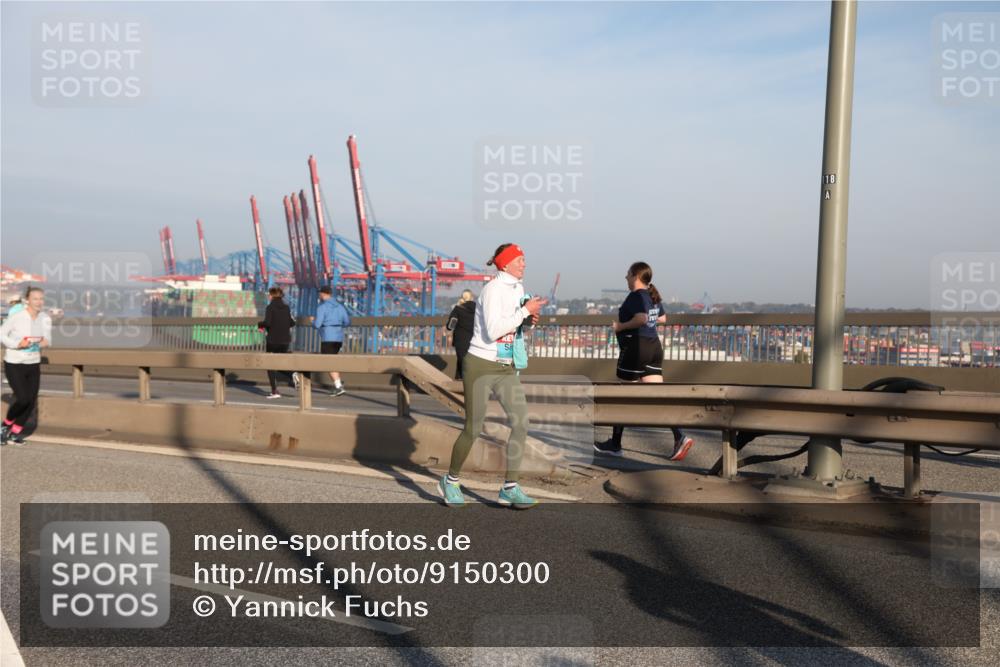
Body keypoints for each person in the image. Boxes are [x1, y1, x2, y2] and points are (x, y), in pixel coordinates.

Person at [439, 243, 547, 510]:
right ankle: (450, 481)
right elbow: (493, 330)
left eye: (524, 259)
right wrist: (523, 311)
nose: (524, 264)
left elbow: (511, 325)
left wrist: (527, 320)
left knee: (521, 422)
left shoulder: (518, 289)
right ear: (506, 263)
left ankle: (510, 488)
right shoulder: (492, 290)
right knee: (474, 427)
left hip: (506, 366)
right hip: (480, 366)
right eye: (520, 260)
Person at [594, 262, 695, 461]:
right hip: (654, 346)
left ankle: (615, 444)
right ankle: (679, 436)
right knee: (657, 396)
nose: (625, 278)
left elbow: (640, 318)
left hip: (635, 347)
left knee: (621, 395)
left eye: (628, 274)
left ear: (635, 276)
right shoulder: (651, 295)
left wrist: (620, 326)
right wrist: (648, 322)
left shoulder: (636, 296)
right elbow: (663, 319)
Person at [1, 286, 52, 445]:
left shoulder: (45, 318)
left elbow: (47, 340)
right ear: (27, 300)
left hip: (33, 363)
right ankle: (4, 426)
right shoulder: (17, 316)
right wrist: (18, 343)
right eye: (35, 298)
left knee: (31, 400)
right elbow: (1, 333)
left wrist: (43, 341)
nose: (39, 301)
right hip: (14, 362)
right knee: (23, 398)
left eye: (41, 298)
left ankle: (15, 433)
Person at [258, 287, 296, 399]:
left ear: (272, 296)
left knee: (270, 365)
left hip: (273, 341)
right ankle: (293, 374)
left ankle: (275, 391)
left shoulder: (270, 307)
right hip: (285, 341)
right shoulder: (286, 307)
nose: (268, 296)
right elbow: (292, 323)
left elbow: (268, 323)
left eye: (269, 295)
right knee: (280, 363)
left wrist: (260, 324)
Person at [313, 286, 351, 396]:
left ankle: (338, 386)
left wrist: (312, 321)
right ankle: (338, 382)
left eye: (319, 293)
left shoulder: (322, 307)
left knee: (328, 363)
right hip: (338, 337)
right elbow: (347, 322)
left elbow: (317, 325)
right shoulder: (340, 306)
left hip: (328, 337)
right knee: (333, 361)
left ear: (323, 294)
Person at [446, 289, 476, 379]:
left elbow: (450, 326)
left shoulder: (458, 308)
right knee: (470, 361)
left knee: (461, 360)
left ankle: (460, 380)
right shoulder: (479, 309)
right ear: (472, 297)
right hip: (475, 339)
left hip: (460, 340)